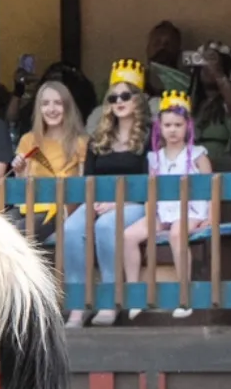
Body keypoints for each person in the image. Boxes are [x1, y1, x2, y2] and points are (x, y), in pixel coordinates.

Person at [65, 59, 152, 327]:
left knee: (105, 227)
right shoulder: (98, 138)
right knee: (70, 228)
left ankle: (110, 301)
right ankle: (78, 306)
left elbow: (150, 180)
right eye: (113, 97)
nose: (119, 101)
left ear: (138, 99)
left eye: (126, 95)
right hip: (98, 201)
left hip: (133, 203)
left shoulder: (150, 137)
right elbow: (88, 178)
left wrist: (118, 202)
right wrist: (92, 202)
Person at [122, 90, 212, 320]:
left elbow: (212, 188)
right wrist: (150, 216)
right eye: (168, 125)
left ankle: (184, 295)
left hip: (190, 211)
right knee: (129, 236)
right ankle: (135, 295)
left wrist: (211, 215)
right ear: (159, 127)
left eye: (178, 125)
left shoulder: (198, 155)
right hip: (163, 211)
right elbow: (152, 192)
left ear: (188, 126)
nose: (173, 130)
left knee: (176, 233)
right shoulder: (155, 157)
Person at [8, 80, 87, 241]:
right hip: (28, 205)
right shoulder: (28, 140)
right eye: (45, 104)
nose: (51, 109)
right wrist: (20, 171)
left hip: (60, 208)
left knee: (18, 233)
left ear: (67, 107)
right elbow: (20, 189)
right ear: (39, 109)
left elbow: (84, 184)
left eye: (58, 103)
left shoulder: (81, 142)